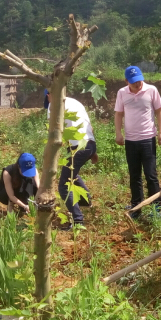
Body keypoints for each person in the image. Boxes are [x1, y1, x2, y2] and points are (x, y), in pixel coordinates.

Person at [114, 66, 161, 218]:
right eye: (134, 82)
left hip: (148, 139)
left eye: (139, 81)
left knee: (151, 175)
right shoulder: (122, 93)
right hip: (131, 140)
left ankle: (156, 209)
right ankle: (136, 207)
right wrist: (118, 133)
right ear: (126, 81)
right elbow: (118, 114)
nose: (138, 84)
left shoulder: (151, 90)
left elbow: (159, 111)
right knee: (134, 175)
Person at [56, 96, 98, 230]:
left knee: (63, 185)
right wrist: (92, 151)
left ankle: (78, 221)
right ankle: (85, 202)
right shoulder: (76, 101)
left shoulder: (55, 104)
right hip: (89, 144)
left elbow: (54, 130)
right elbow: (89, 127)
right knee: (71, 174)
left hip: (77, 147)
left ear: (49, 95)